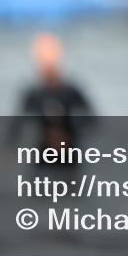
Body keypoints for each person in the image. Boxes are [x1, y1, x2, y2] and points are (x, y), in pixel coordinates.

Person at [13, 32, 95, 173]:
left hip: (69, 152)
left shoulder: (71, 91)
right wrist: (8, 149)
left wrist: (70, 133)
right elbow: (17, 125)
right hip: (44, 153)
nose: (48, 69)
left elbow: (91, 119)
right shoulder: (34, 94)